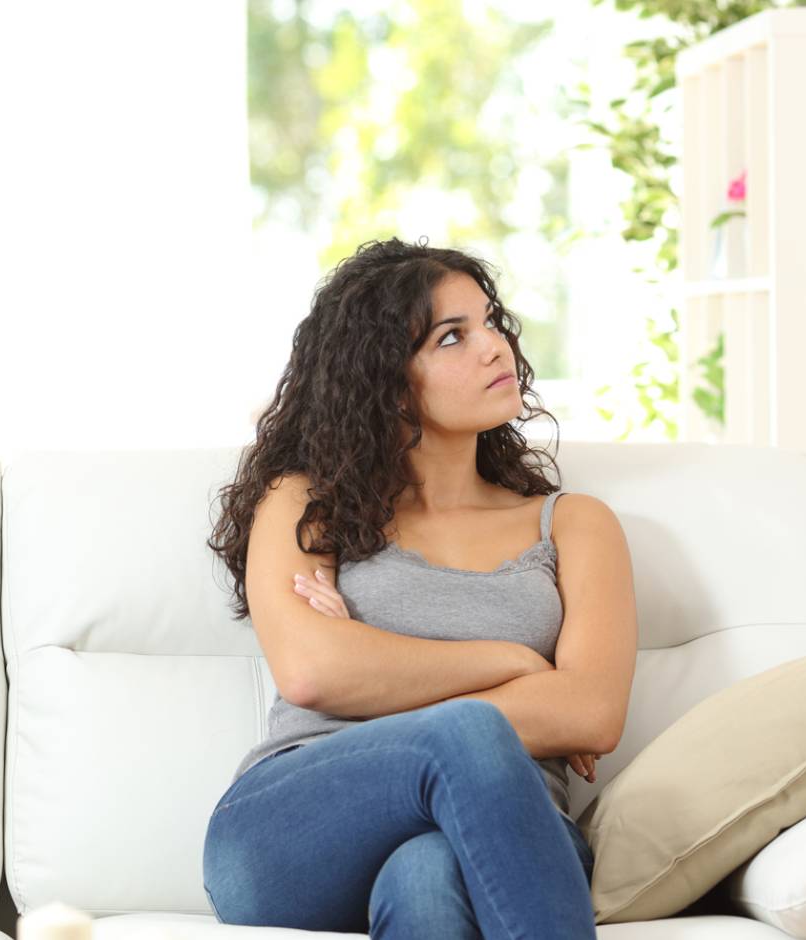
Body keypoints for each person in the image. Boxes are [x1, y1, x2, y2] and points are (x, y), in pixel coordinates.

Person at [203, 238, 636, 938]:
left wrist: (376, 664)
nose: (495, 348)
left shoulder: (574, 525)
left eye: (490, 322)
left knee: (427, 876)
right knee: (468, 733)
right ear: (385, 376)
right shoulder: (305, 502)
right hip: (294, 828)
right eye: (452, 337)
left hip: (508, 841)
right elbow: (315, 671)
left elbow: (589, 711)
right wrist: (518, 662)